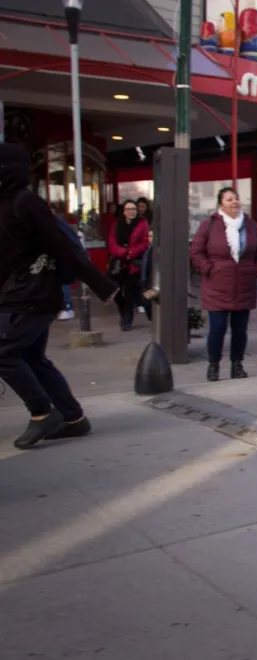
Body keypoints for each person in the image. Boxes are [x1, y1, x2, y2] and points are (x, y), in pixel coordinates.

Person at [0, 143, 118, 448]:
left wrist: (101, 284)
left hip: (36, 294)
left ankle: (41, 412)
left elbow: (62, 247)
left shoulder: (27, 203)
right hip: (16, 294)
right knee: (32, 358)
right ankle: (74, 418)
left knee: (5, 354)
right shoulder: (5, 203)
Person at [191, 187, 257, 381]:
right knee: (217, 329)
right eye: (229, 199)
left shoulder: (251, 226)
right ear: (220, 204)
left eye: (236, 199)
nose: (234, 202)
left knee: (240, 330)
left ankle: (237, 365)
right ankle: (213, 366)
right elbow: (196, 252)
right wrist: (208, 268)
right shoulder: (209, 225)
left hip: (244, 285)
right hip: (217, 286)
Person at [107, 199, 150, 331]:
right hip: (119, 262)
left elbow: (145, 242)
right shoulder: (117, 224)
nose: (131, 212)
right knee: (115, 290)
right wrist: (122, 252)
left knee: (130, 292)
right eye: (128, 209)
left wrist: (131, 252)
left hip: (134, 263)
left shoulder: (142, 224)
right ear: (124, 211)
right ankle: (123, 311)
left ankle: (127, 318)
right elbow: (112, 241)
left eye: (133, 209)